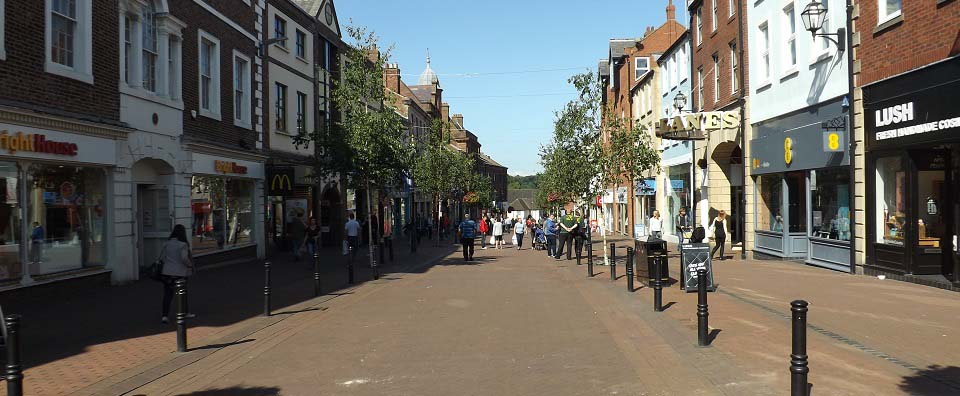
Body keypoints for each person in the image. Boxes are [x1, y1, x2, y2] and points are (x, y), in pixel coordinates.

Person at [160, 224, 195, 324]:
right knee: (182, 294)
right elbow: (184, 258)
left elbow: (162, 257)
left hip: (167, 272)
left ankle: (165, 316)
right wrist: (189, 265)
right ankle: (185, 312)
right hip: (180, 272)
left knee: (167, 294)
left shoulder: (167, 243)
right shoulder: (183, 245)